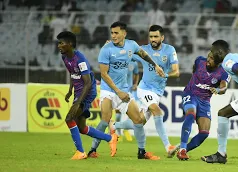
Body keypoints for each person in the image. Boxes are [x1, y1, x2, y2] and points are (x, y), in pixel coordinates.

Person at [88, 21, 164, 160]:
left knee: (138, 121)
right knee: (104, 120)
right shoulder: (106, 50)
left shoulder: (131, 45)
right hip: (109, 90)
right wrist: (118, 92)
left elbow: (143, 54)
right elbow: (104, 74)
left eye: (116, 33)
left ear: (124, 33)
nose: (113, 36)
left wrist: (156, 65)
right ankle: (92, 150)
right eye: (112, 33)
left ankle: (142, 152)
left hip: (124, 91)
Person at [114, 25, 180, 157]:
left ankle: (114, 125)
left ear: (162, 37)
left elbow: (176, 71)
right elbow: (124, 52)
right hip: (144, 89)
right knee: (157, 111)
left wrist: (165, 75)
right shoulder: (143, 50)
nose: (153, 39)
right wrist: (113, 46)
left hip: (157, 92)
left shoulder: (169, 50)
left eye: (156, 36)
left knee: (139, 122)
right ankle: (168, 147)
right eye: (151, 37)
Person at [57, 31, 117, 160]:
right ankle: (110, 138)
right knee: (82, 128)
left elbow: (88, 83)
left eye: (61, 43)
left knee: (69, 118)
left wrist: (79, 102)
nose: (59, 46)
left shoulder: (80, 59)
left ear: (70, 44)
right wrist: (70, 90)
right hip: (78, 92)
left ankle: (80, 152)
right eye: (59, 43)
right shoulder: (65, 57)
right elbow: (73, 74)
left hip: (87, 92)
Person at [168, 51, 230, 160]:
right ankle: (182, 149)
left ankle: (183, 149)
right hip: (191, 94)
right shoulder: (199, 61)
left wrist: (218, 89)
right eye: (208, 57)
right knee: (191, 115)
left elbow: (224, 88)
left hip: (205, 101)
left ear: (217, 62)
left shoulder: (222, 72)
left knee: (204, 133)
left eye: (211, 58)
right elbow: (194, 71)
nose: (208, 60)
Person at [114, 59, 139, 142]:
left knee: (132, 113)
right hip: (120, 91)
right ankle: (118, 133)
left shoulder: (134, 62)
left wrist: (135, 84)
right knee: (118, 114)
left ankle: (125, 129)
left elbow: (136, 74)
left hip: (130, 91)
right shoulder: (118, 60)